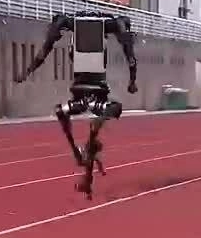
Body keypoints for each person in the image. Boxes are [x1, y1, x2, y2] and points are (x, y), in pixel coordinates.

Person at [15, 11, 138, 199]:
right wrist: (132, 80)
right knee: (107, 111)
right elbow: (130, 56)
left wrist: (27, 71)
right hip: (94, 97)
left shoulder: (70, 24)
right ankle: (85, 152)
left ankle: (82, 156)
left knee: (66, 112)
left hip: (84, 96)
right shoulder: (110, 26)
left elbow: (44, 51)